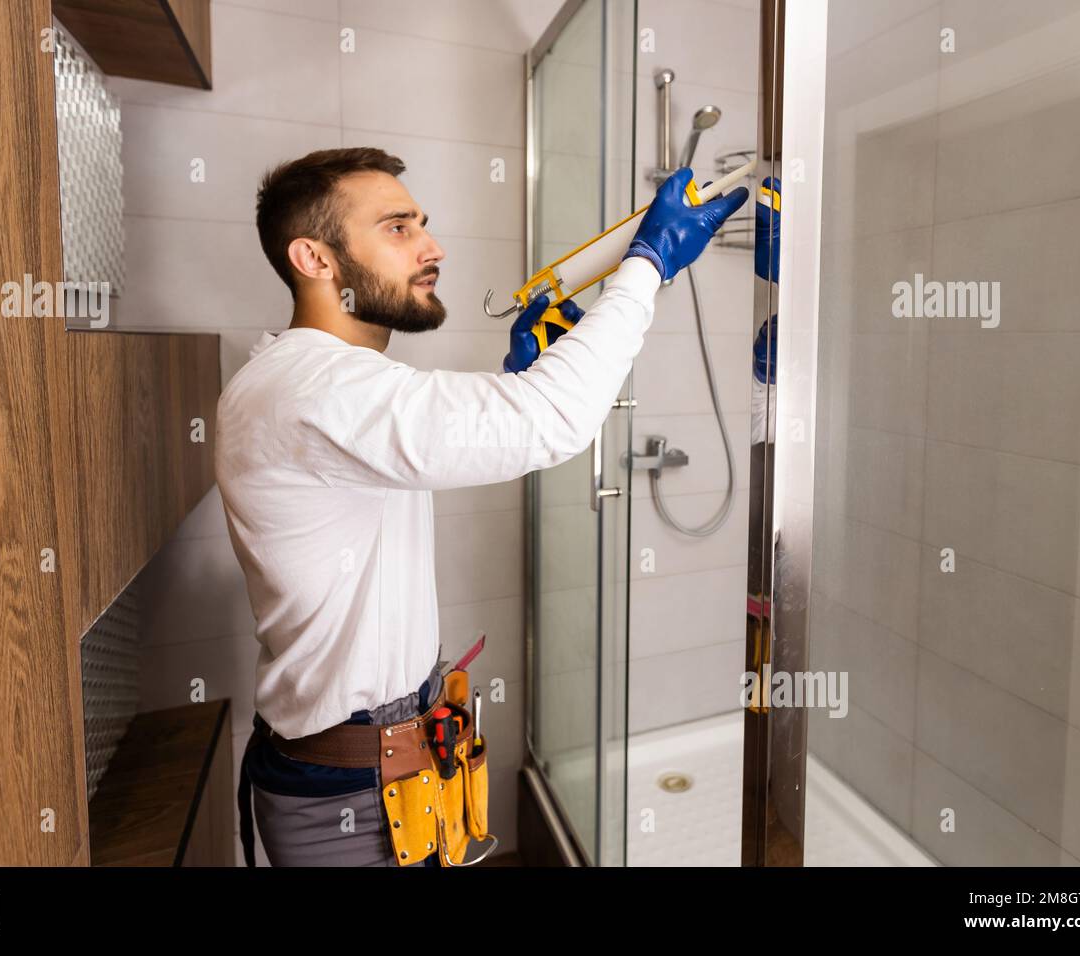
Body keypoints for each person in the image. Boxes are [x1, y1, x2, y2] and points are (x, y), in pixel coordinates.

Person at [215, 146, 747, 866]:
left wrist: (516, 381)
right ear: (315, 259)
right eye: (398, 227)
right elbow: (547, 423)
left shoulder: (317, 380)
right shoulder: (315, 386)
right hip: (350, 794)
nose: (432, 247)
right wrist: (645, 265)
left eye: (423, 224)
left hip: (378, 768)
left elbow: (469, 435)